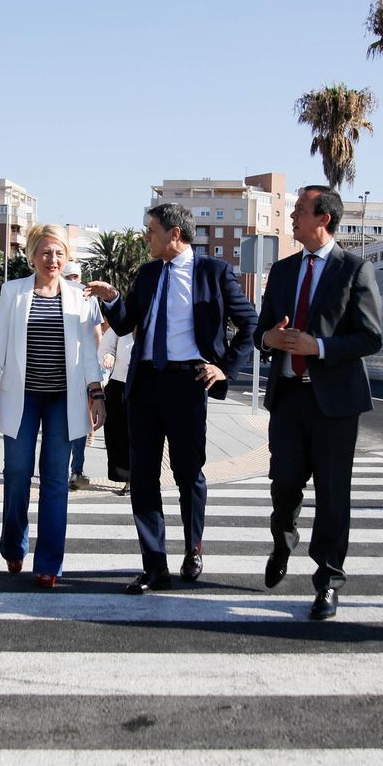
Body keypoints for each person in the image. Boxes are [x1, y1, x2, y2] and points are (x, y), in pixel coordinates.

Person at [86, 202, 258, 594]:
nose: (146, 237)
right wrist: (112, 299)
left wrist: (225, 368)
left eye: (151, 230)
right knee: (142, 476)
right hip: (144, 383)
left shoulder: (214, 272)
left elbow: (249, 321)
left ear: (174, 234)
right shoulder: (147, 273)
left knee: (188, 473)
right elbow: (127, 323)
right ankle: (154, 566)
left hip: (188, 383)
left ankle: (193, 548)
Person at [254, 186, 382, 620]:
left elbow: (370, 337)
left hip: (335, 404)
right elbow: (262, 331)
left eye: (299, 210)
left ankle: (328, 580)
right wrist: (268, 338)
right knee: (283, 484)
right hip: (288, 397)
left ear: (323, 219)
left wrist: (319, 347)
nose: (292, 216)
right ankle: (282, 539)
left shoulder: (355, 270)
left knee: (332, 495)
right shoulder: (284, 269)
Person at [0, 225, 106, 588]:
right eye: (46, 253)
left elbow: (88, 353)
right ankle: (14, 543)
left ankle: (49, 561)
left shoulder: (81, 295)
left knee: (54, 479)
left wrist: (97, 395)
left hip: (64, 398)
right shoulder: (13, 292)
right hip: (24, 395)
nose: (53, 260)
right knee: (16, 472)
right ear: (32, 255)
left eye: (60, 253)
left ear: (68, 258)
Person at [61, 261, 97, 490]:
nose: (75, 281)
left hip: (82, 371)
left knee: (80, 423)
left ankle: (77, 469)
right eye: (70, 277)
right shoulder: (56, 297)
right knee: (61, 424)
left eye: (77, 277)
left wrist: (98, 373)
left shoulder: (89, 299)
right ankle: (58, 468)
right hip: (58, 373)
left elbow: (95, 333)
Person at [98, 326, 135, 493]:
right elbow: (106, 347)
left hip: (146, 385)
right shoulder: (121, 322)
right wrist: (108, 356)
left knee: (143, 436)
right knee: (119, 434)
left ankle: (141, 477)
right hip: (119, 384)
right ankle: (127, 479)